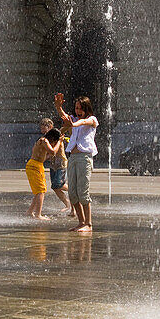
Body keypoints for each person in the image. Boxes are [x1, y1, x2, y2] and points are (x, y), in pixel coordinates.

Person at [54, 93, 98, 232]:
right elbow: (66, 117)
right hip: (72, 158)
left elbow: (82, 122)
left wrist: (72, 124)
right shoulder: (72, 119)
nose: (78, 111)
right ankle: (81, 222)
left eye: (80, 108)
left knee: (83, 192)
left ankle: (88, 224)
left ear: (86, 109)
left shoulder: (92, 119)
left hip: (84, 158)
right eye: (76, 108)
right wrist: (58, 107)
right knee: (73, 193)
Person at [26, 125, 63, 220]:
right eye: (55, 141)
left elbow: (40, 154)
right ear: (53, 138)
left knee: (40, 191)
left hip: (37, 165)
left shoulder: (41, 140)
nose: (54, 143)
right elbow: (53, 152)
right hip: (34, 166)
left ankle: (30, 211)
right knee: (40, 191)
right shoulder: (44, 141)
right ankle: (38, 214)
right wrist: (60, 141)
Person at [40, 118, 73, 216]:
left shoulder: (57, 133)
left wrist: (68, 121)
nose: (43, 132)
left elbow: (66, 127)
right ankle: (67, 204)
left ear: (50, 127)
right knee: (55, 186)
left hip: (61, 163)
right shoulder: (45, 138)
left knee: (59, 184)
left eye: (44, 129)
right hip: (53, 164)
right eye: (41, 130)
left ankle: (73, 189)